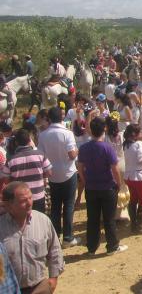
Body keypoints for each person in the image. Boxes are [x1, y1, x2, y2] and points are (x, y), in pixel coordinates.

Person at [0, 182, 65, 294]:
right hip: (10, 291)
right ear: (9, 205)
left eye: (30, 198)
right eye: (23, 201)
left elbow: (55, 250)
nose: (29, 203)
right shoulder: (1, 226)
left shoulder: (43, 220)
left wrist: (53, 278)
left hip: (39, 288)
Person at [77, 116, 128, 255]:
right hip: (107, 187)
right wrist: (119, 184)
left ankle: (91, 247)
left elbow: (80, 167)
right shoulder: (107, 148)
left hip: (91, 187)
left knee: (92, 218)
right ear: (104, 129)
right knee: (109, 218)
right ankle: (112, 246)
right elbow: (114, 169)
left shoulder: (84, 148)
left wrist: (85, 180)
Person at [37, 106, 80, 248]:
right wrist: (77, 150)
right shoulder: (67, 133)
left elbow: (41, 156)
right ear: (61, 117)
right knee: (68, 205)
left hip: (52, 174)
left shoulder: (43, 135)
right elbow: (72, 155)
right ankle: (68, 237)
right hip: (68, 172)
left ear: (49, 118)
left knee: (55, 206)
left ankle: (55, 237)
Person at [1, 128, 52, 213]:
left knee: (23, 220)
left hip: (20, 199)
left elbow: (6, 181)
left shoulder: (11, 160)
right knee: (38, 218)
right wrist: (40, 176)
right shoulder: (40, 155)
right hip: (38, 196)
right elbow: (49, 173)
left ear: (16, 142)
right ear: (29, 140)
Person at [122, 124, 142, 234]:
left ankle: (134, 225)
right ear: (134, 134)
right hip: (139, 175)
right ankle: (141, 225)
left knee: (133, 200)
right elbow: (141, 159)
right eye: (140, 132)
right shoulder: (139, 144)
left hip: (129, 176)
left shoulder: (126, 145)